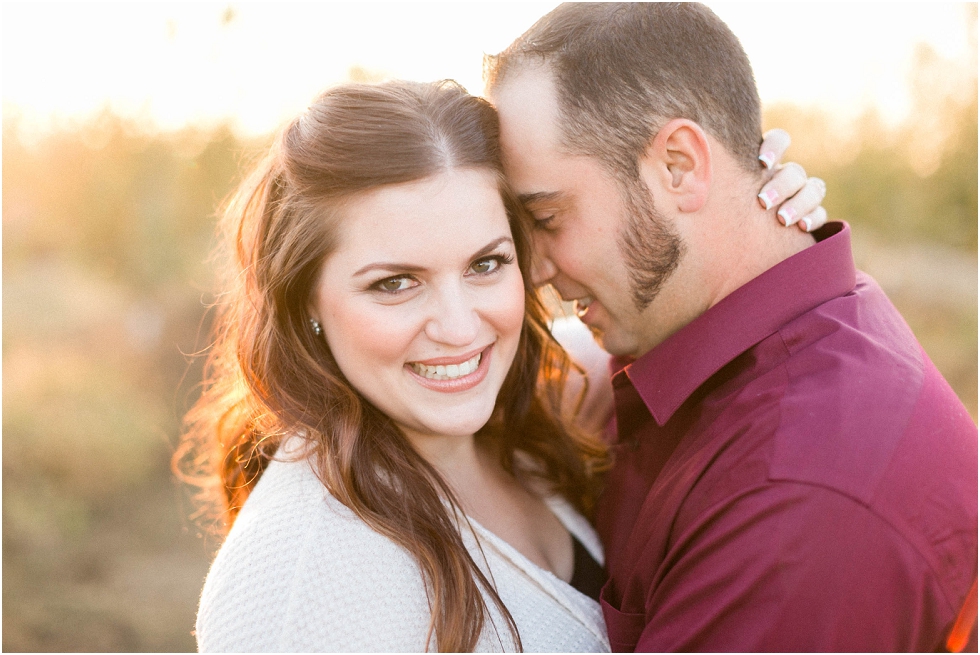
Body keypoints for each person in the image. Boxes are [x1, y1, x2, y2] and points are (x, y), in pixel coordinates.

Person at [178, 75, 823, 651]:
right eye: (395, 283)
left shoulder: (537, 395)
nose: (460, 329)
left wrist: (743, 218)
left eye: (485, 264)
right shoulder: (294, 598)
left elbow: (686, 334)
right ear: (305, 302)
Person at [486, 3, 978, 652]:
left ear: (680, 166)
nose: (536, 269)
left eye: (546, 218)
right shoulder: (698, 341)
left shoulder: (799, 502)